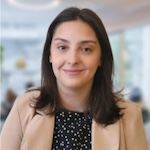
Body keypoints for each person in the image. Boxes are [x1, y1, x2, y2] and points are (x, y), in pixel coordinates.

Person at [1, 7, 149, 150]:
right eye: (62, 47)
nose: (72, 60)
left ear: (101, 58)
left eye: (86, 49)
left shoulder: (129, 116)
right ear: (50, 55)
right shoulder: (24, 107)